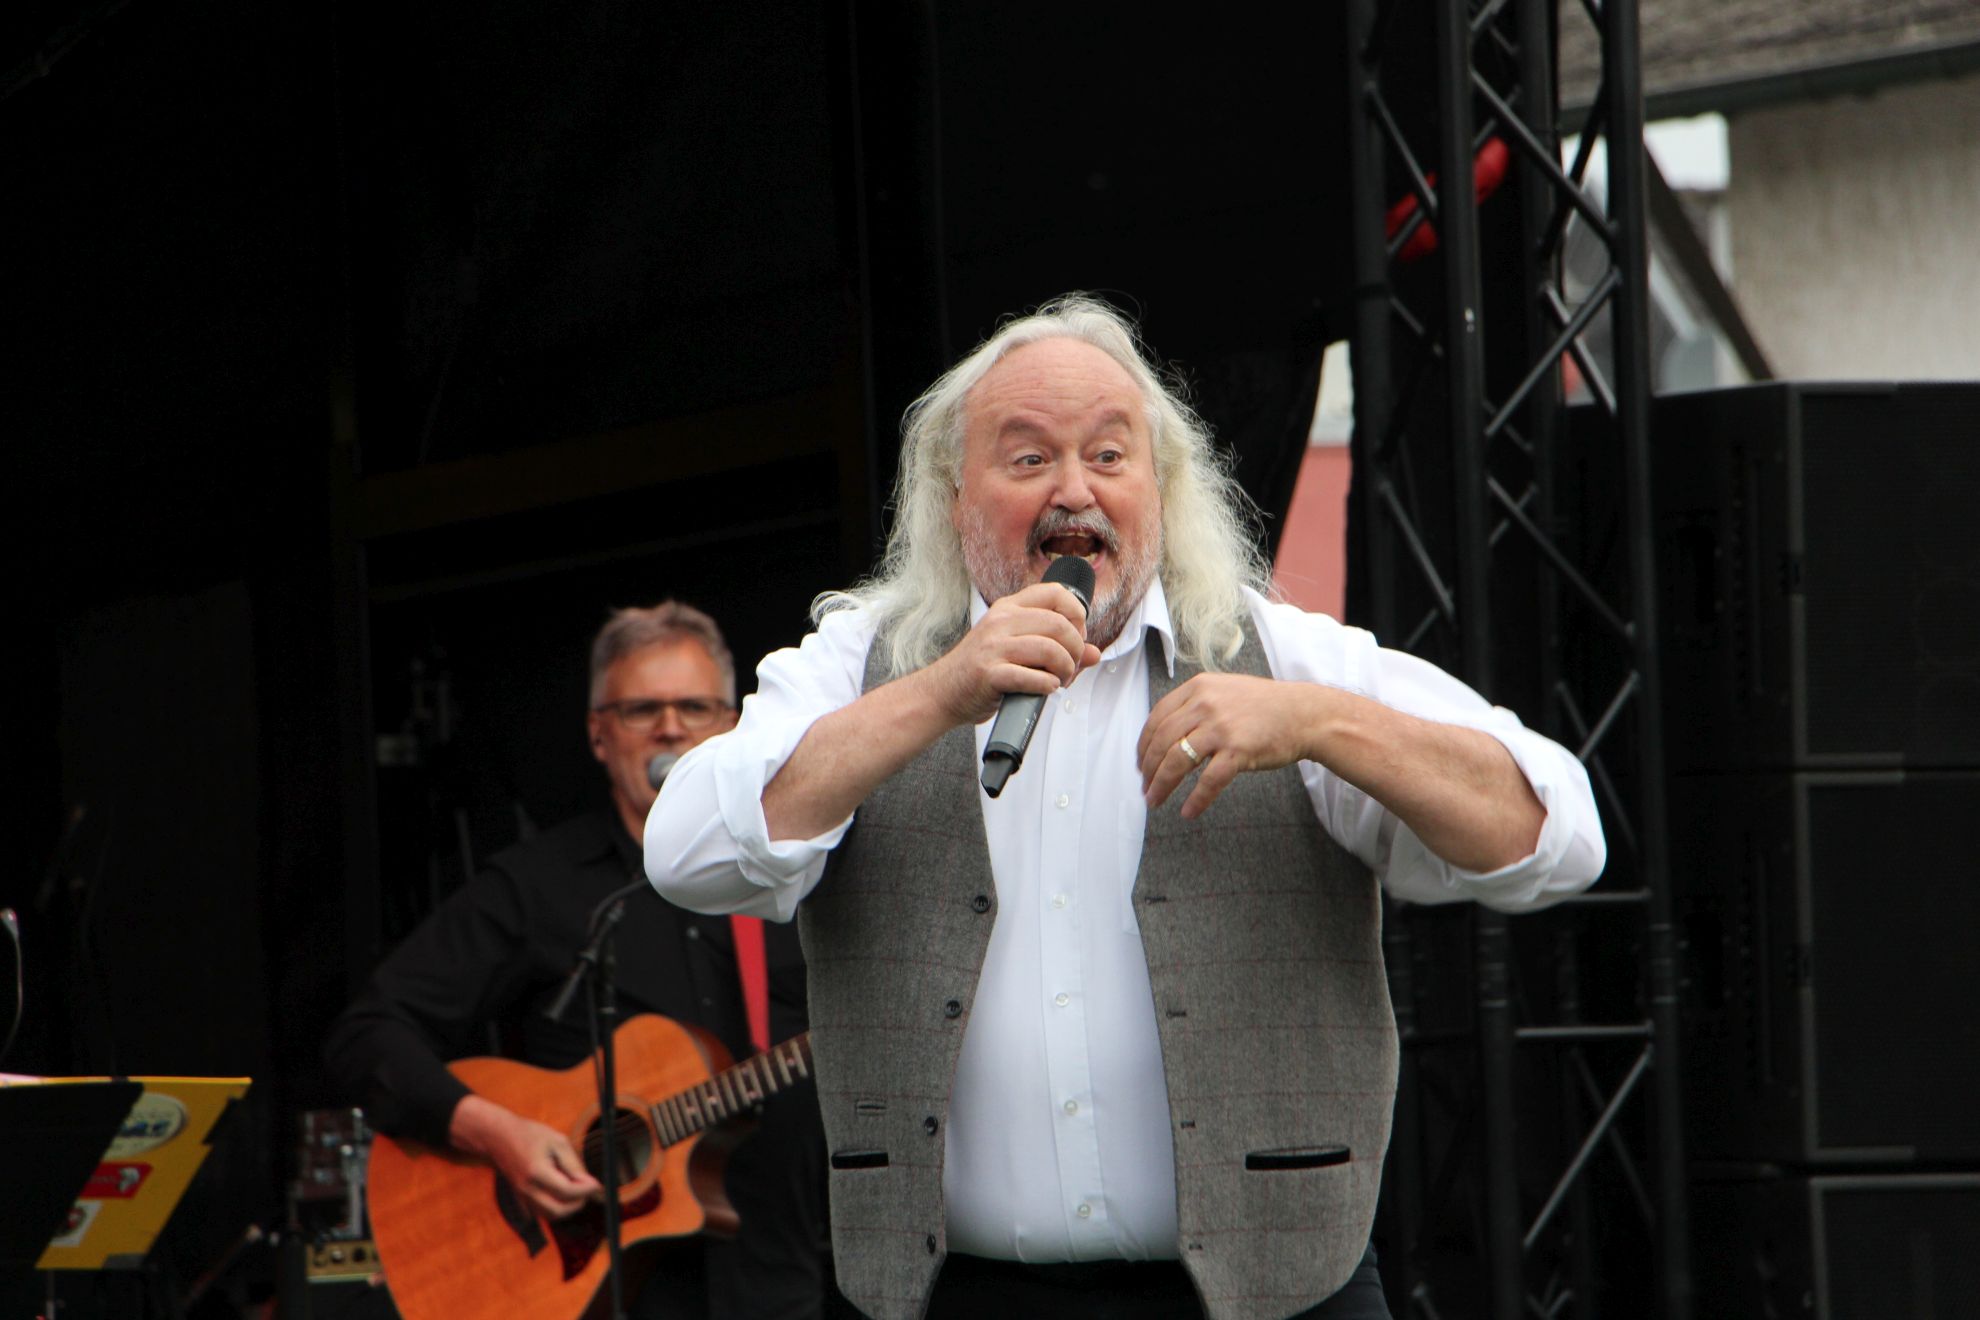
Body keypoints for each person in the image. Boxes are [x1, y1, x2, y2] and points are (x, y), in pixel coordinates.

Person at [644, 297, 1606, 1320]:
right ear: (952, 496)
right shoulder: (862, 663)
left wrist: (1323, 725)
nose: (1075, 490)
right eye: (1029, 458)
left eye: (1110, 455)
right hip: (951, 1293)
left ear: (1162, 487)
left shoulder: (1283, 658)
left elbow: (1556, 835)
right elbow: (687, 853)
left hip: (1276, 1291)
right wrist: (941, 693)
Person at [324, 601, 832, 1319]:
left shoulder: (797, 872)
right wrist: (500, 1134)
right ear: (599, 733)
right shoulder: (538, 885)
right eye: (641, 709)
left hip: (776, 1279)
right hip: (595, 1291)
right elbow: (367, 1034)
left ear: (730, 726)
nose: (671, 728)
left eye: (695, 707)